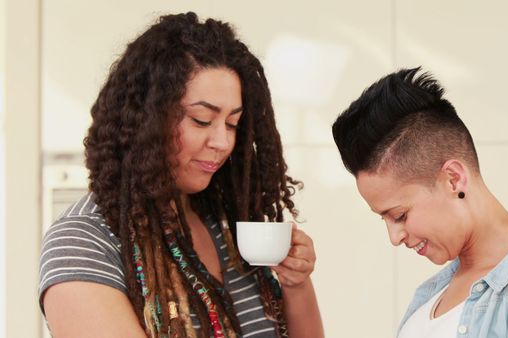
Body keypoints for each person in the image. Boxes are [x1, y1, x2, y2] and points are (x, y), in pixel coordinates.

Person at [39, 12, 323, 338]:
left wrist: (296, 282)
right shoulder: (83, 245)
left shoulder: (226, 228)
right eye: (202, 120)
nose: (222, 142)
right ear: (147, 120)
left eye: (232, 124)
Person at [331, 67, 508, 337]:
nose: (394, 237)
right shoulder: (429, 297)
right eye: (384, 219)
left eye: (399, 215)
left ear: (453, 179)